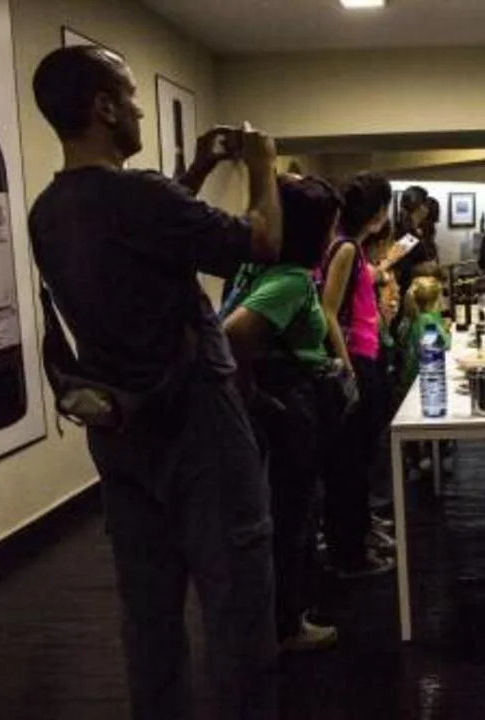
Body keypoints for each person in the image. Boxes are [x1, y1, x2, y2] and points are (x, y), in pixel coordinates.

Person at [28, 46, 282, 720]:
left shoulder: (48, 210)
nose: (140, 109)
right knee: (237, 603)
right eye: (132, 96)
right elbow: (260, 240)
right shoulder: (140, 197)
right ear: (105, 107)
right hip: (199, 426)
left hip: (121, 430)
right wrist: (262, 164)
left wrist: (194, 172)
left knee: (148, 614)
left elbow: (150, 235)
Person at [221, 175, 340, 652]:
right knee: (293, 513)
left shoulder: (253, 267)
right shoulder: (290, 279)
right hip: (288, 404)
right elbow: (233, 333)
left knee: (279, 511)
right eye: (328, 227)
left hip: (275, 404)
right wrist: (253, 391)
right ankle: (286, 624)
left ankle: (275, 618)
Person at [319, 172, 398, 578]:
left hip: (365, 355)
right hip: (355, 361)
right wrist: (348, 368)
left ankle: (357, 539)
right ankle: (349, 554)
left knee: (358, 460)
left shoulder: (352, 247)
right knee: (351, 464)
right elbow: (328, 310)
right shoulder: (346, 247)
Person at [395, 276, 451, 403]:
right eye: (440, 297)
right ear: (434, 302)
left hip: (407, 379)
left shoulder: (408, 318)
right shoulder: (427, 322)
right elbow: (445, 345)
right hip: (419, 384)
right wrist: (445, 331)